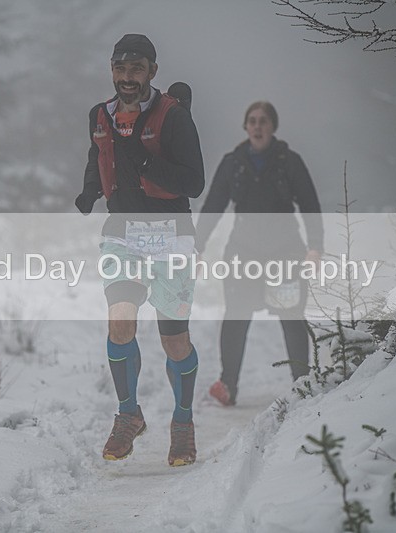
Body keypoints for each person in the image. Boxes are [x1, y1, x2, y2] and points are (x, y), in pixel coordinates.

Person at [74, 34, 204, 466]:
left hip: (172, 232)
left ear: (152, 71)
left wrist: (145, 161)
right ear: (112, 70)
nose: (127, 77)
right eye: (120, 68)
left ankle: (182, 421)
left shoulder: (174, 117)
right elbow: (100, 155)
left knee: (176, 343)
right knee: (120, 323)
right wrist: (91, 190)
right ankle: (128, 414)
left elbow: (194, 183)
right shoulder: (100, 114)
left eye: (136, 69)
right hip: (123, 231)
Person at [195, 101, 323, 406]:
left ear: (273, 127)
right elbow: (213, 205)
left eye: (263, 121)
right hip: (243, 252)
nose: (257, 126)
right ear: (245, 127)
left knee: (291, 316)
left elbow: (310, 205)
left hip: (285, 253)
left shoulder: (289, 161)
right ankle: (228, 386)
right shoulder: (233, 163)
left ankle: (301, 383)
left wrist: (315, 247)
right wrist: (196, 246)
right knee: (236, 317)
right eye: (251, 121)